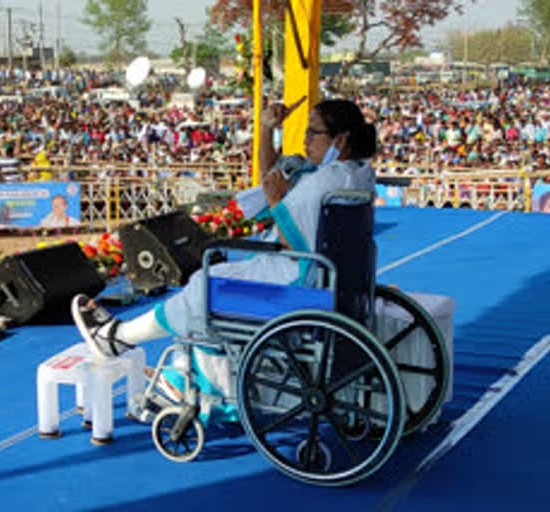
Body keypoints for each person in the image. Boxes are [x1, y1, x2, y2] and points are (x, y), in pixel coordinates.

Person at [71, 98, 378, 360]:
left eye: (313, 132)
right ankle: (166, 364)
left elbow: (295, 243)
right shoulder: (354, 174)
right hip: (336, 280)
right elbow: (274, 172)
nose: (305, 139)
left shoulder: (321, 182)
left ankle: (119, 337)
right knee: (208, 282)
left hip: (299, 283)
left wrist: (275, 200)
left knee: (204, 284)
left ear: (339, 140)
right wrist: (269, 129)